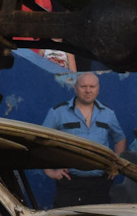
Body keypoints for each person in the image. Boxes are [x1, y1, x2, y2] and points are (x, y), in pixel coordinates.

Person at [40, 72, 126, 206]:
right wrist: (49, 171)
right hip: (69, 183)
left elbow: (120, 139)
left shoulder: (108, 114)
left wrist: (115, 165)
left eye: (92, 86)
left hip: (100, 184)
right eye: (83, 86)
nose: (88, 90)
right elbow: (41, 140)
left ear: (98, 88)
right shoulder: (58, 112)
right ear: (75, 88)